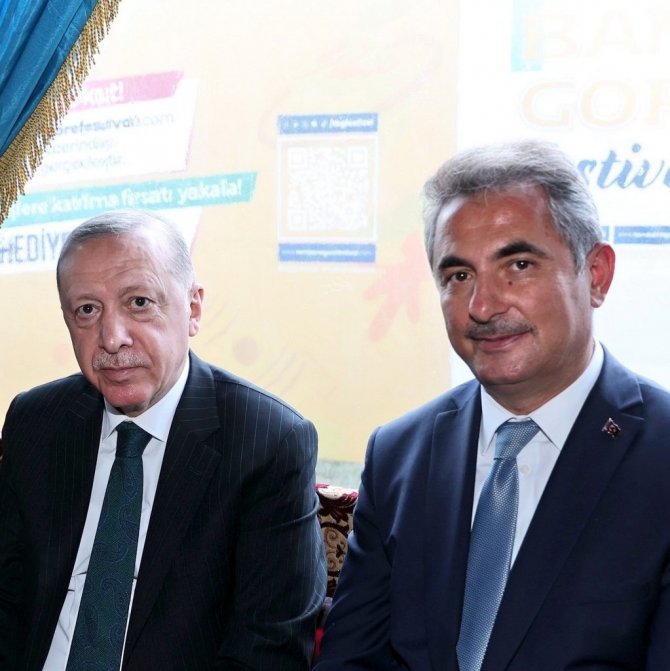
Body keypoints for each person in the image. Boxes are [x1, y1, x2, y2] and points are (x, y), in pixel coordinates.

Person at [315, 139, 670, 670]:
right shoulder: (399, 454)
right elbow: (353, 659)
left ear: (596, 274)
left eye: (519, 265)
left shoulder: (660, 453)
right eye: (458, 276)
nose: (482, 306)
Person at [0, 210, 326, 670]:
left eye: (138, 302)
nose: (112, 339)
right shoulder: (36, 421)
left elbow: (268, 651)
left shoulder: (267, 442)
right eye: (87, 310)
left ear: (193, 309)